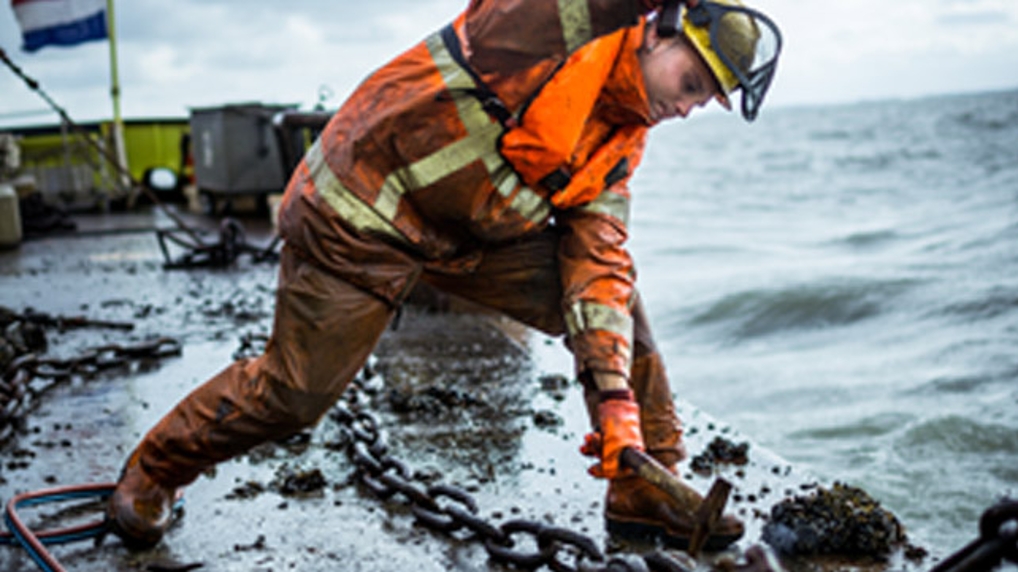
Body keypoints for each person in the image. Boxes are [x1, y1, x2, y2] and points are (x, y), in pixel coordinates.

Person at [107, 0, 782, 551]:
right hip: (360, 218)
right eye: (692, 84)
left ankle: (646, 480)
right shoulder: (536, 30)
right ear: (655, 30)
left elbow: (597, 259)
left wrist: (614, 407)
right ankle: (156, 469)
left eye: (706, 102)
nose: (689, 107)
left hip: (464, 242)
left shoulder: (618, 140)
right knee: (296, 394)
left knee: (616, 301)